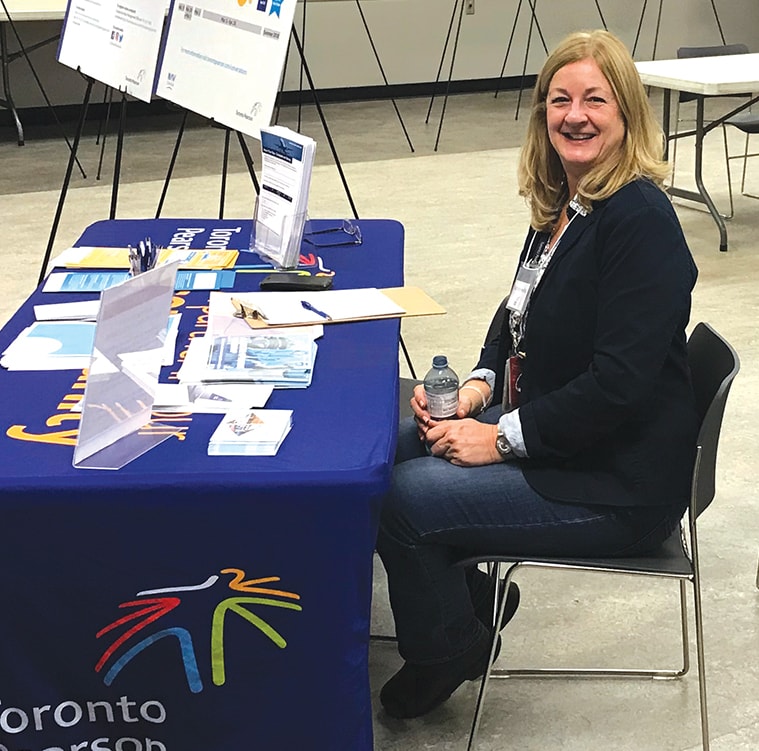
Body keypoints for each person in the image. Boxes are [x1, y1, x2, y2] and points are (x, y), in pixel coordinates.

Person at [376, 29, 699, 720]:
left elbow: (618, 385)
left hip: (618, 483)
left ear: (626, 114)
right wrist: (478, 382)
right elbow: (514, 308)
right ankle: (473, 597)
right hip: (575, 437)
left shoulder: (638, 219)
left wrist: (497, 439)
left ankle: (447, 646)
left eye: (593, 100)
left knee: (402, 497)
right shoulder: (570, 200)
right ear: (541, 112)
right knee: (393, 441)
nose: (573, 115)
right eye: (559, 99)